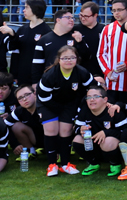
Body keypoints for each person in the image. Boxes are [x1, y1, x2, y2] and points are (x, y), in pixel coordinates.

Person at [37, 45, 98, 177]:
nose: (68, 61)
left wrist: (86, 102)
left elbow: (93, 87)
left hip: (69, 104)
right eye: (65, 58)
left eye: (72, 57)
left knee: (65, 131)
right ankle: (52, 165)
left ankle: (65, 164)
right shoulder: (50, 75)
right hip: (48, 104)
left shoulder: (82, 72)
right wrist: (58, 111)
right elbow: (42, 96)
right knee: (51, 129)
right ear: (59, 59)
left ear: (77, 59)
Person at [72, 86, 124, 176]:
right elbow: (76, 127)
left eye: (96, 96)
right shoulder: (84, 111)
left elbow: (125, 132)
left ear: (105, 99)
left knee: (108, 141)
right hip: (95, 145)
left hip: (111, 146)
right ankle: (93, 163)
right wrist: (80, 129)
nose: (91, 100)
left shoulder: (113, 111)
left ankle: (115, 164)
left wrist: (106, 133)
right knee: (77, 139)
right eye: (88, 97)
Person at [97, 0, 127, 105]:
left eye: (119, 10)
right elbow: (100, 54)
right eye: (113, 10)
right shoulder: (108, 28)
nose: (116, 13)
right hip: (112, 82)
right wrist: (107, 72)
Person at [32, 9, 83, 85]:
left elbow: (86, 57)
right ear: (58, 20)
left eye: (73, 18)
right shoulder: (44, 40)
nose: (72, 20)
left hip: (72, 81)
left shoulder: (76, 38)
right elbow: (37, 64)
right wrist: (35, 82)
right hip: (50, 81)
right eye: (68, 18)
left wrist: (81, 42)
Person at [10, 0, 50, 88]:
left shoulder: (46, 31)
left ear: (35, 9)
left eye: (26, 7)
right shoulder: (22, 30)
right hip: (22, 76)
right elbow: (15, 54)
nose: (23, 10)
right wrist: (14, 74)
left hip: (39, 77)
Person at [6, 83, 44, 155]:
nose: (24, 99)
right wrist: (15, 144)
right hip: (35, 138)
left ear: (35, 94)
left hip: (52, 137)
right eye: (20, 98)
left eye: (27, 95)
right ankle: (30, 151)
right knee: (16, 126)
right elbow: (5, 126)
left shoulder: (44, 107)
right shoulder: (18, 111)